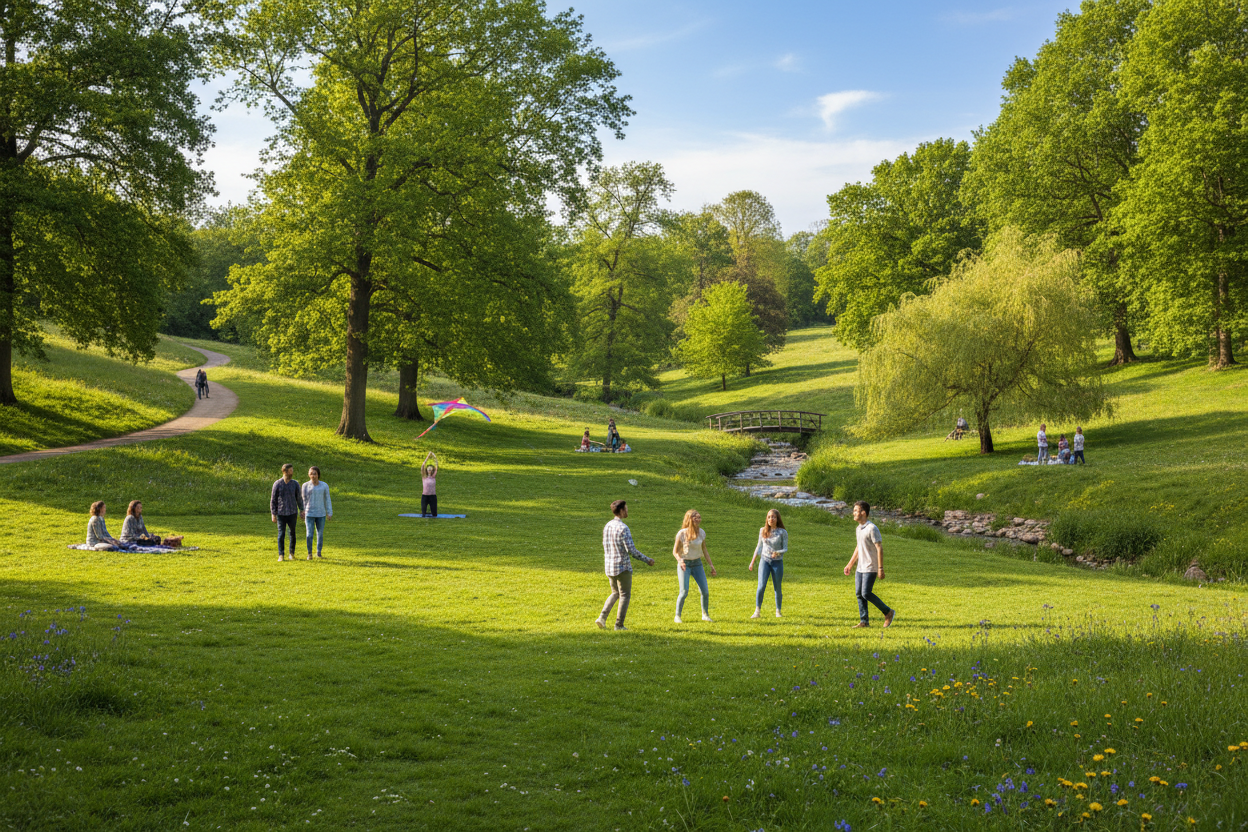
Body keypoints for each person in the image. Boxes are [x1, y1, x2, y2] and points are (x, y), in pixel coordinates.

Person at [596, 500, 655, 631]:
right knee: (624, 595)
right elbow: (631, 550)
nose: (628, 510)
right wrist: (647, 560)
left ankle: (602, 618)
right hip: (622, 567)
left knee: (615, 593)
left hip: (609, 566)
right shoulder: (623, 528)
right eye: (626, 508)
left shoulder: (608, 525)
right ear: (621, 511)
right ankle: (619, 624)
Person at [844, 501, 894, 628]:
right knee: (859, 594)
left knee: (866, 593)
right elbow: (858, 548)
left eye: (856, 511)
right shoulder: (858, 529)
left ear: (863, 513)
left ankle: (888, 612)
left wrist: (880, 568)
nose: (853, 513)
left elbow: (879, 548)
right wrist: (850, 564)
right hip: (860, 567)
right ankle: (864, 621)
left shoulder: (872, 528)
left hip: (871, 567)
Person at [672, 509, 717, 623]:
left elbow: (704, 549)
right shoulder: (682, 533)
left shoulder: (701, 533)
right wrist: (680, 561)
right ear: (689, 519)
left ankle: (705, 614)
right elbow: (675, 551)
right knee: (684, 591)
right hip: (685, 564)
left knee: (705, 591)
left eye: (699, 517)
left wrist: (711, 565)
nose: (698, 519)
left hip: (697, 564)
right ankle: (677, 616)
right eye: (695, 517)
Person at [749, 509, 787, 618]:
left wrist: (777, 553)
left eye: (773, 517)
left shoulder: (782, 532)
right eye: (769, 517)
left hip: (777, 563)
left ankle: (778, 611)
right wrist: (752, 562)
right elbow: (759, 547)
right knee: (761, 586)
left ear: (777, 519)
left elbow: (785, 548)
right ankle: (757, 611)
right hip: (764, 561)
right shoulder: (762, 530)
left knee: (777, 587)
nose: (771, 519)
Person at [270, 463, 304, 561]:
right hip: (281, 513)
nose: (292, 472)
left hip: (292, 512)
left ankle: (291, 554)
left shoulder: (295, 484)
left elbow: (299, 498)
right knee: (281, 534)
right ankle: (281, 555)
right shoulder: (277, 484)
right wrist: (273, 514)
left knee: (292, 533)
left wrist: (302, 510)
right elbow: (273, 500)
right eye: (290, 470)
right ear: (285, 471)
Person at [302, 466, 332, 559]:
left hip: (321, 514)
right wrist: (302, 511)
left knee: (320, 534)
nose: (313, 476)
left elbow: (327, 499)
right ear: (309, 475)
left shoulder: (324, 485)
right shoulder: (305, 486)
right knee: (309, 534)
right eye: (311, 473)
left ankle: (319, 553)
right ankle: (309, 553)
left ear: (318, 474)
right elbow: (303, 500)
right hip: (309, 513)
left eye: (314, 473)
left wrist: (329, 512)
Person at [421, 452, 439, 517]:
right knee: (423, 514)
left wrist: (434, 457)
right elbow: (423, 465)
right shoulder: (424, 477)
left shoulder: (433, 476)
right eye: (428, 469)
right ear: (426, 470)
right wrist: (427, 457)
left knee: (434, 515)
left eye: (431, 469)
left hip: (432, 497)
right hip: (425, 496)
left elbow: (437, 465)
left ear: (432, 470)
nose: (429, 470)